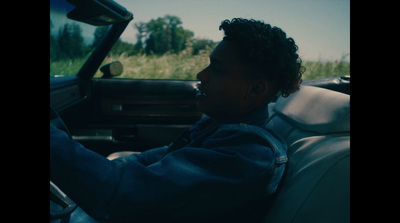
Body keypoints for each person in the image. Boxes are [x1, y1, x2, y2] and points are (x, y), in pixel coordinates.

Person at [50, 18, 304, 223]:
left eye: (216, 69)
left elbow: (121, 197)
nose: (201, 75)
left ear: (256, 90)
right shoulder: (220, 127)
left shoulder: (248, 154)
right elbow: (152, 159)